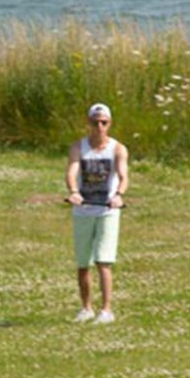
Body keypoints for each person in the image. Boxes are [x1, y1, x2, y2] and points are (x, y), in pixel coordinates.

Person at [65, 101, 129, 324]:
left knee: (104, 261)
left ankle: (106, 310)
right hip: (83, 211)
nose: (99, 127)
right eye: (95, 122)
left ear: (109, 124)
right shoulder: (78, 147)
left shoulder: (118, 149)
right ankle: (86, 308)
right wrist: (74, 191)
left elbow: (123, 175)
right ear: (88, 123)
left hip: (106, 212)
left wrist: (118, 195)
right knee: (83, 264)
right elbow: (72, 171)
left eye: (104, 122)